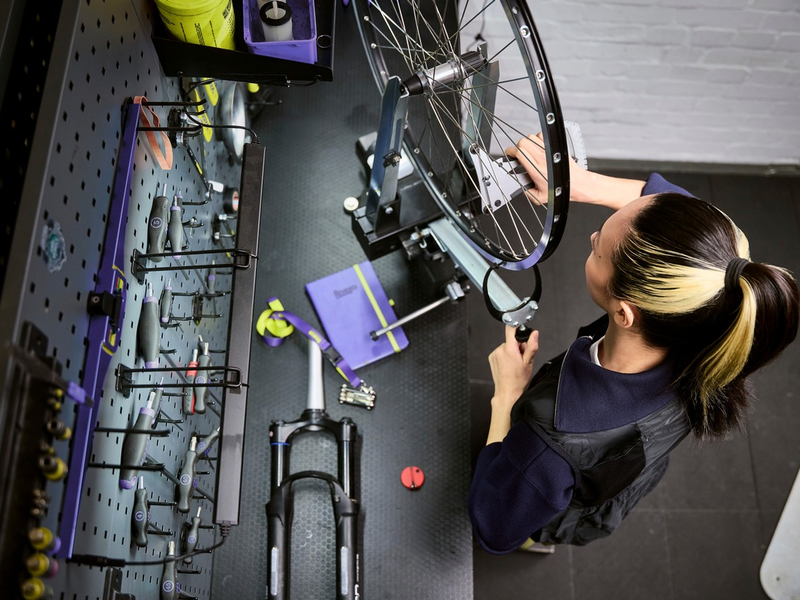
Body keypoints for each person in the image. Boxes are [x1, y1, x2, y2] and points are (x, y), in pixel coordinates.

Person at [467, 135, 800, 554]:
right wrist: (580, 181)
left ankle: (539, 539)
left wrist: (508, 395)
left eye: (599, 250)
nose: (591, 237)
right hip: (628, 474)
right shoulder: (715, 297)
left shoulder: (549, 441)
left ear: (625, 313)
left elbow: (493, 528)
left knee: (525, 517)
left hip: (557, 496)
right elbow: (671, 208)